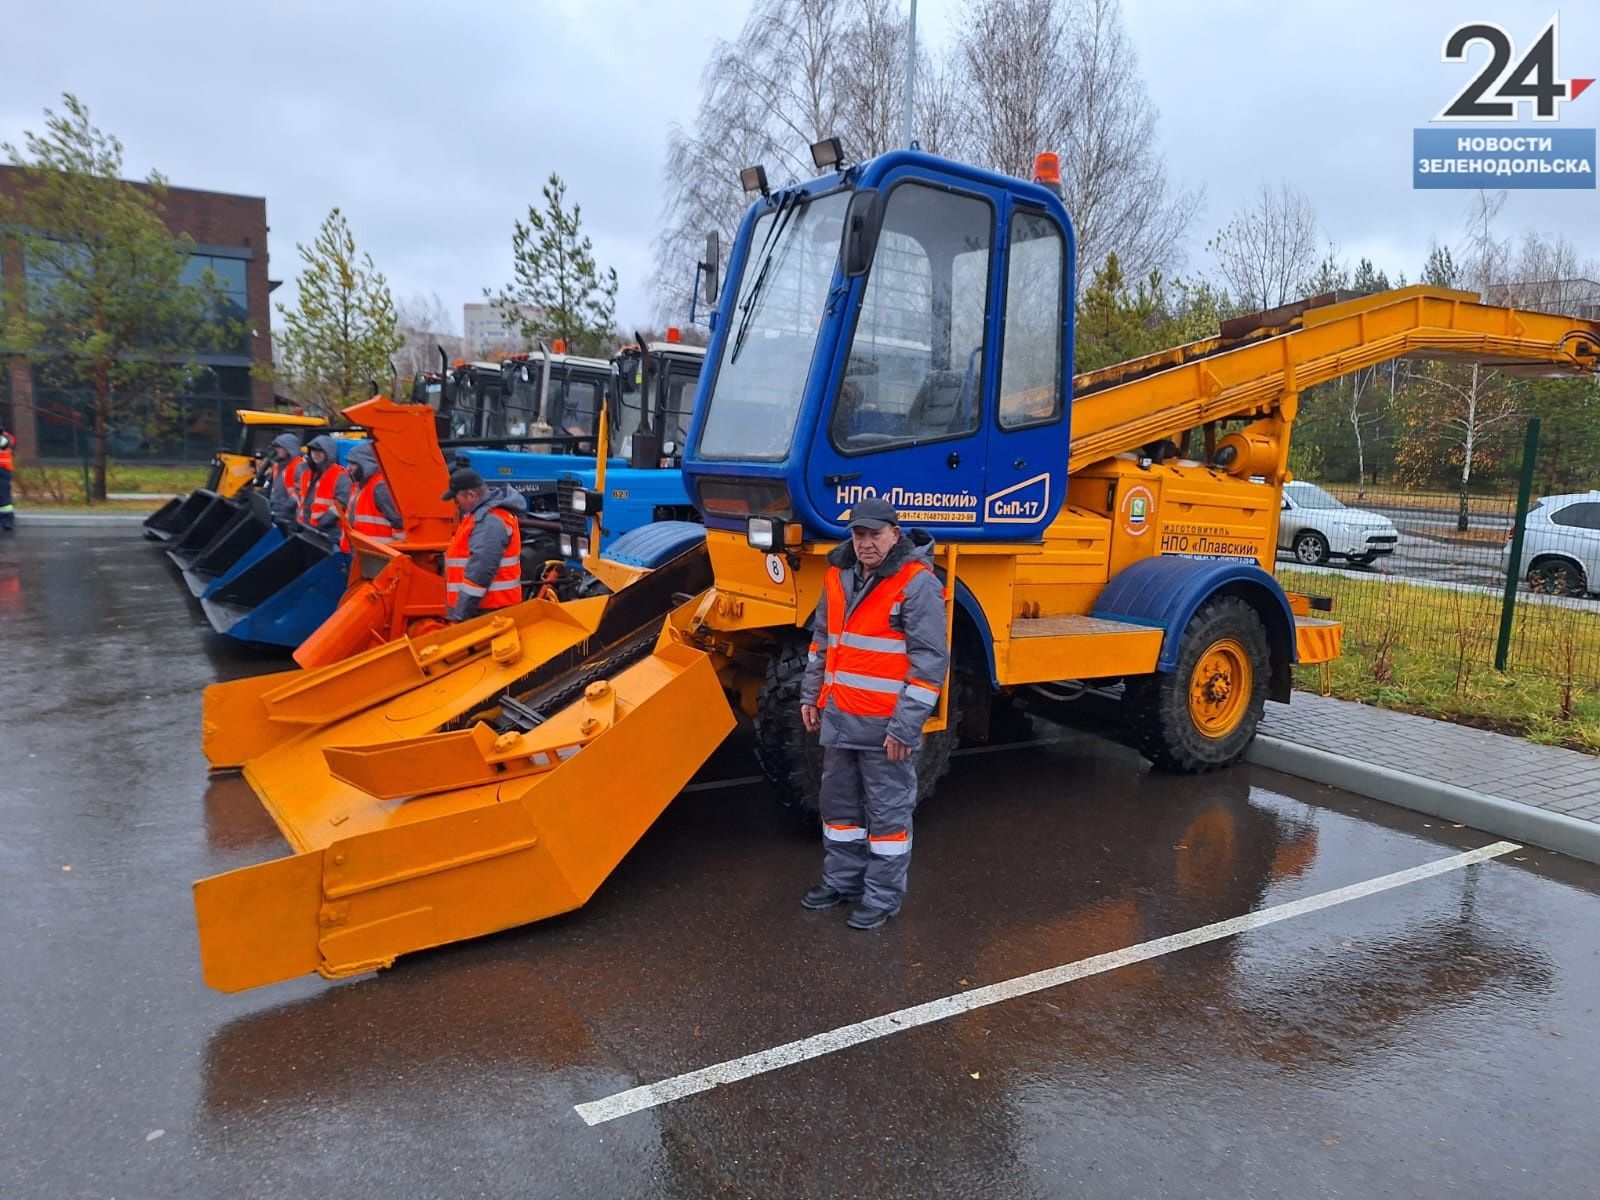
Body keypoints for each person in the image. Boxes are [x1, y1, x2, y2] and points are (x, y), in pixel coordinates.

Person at [799, 496, 949, 931]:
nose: (865, 543)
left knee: (887, 819)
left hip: (887, 731)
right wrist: (811, 697)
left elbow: (929, 665)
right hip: (841, 720)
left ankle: (882, 898)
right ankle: (842, 882)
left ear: (894, 534)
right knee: (839, 811)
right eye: (859, 534)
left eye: (874, 534)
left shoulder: (917, 584)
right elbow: (821, 644)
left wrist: (905, 729)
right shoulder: (837, 576)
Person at [440, 466, 527, 622]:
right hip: (485, 608)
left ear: (471, 495)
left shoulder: (490, 521)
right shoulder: (482, 517)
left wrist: (460, 614)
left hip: (487, 612)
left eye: (457, 498)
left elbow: (480, 571)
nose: (456, 504)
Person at [341, 442, 403, 551]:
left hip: (378, 556)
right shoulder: (361, 486)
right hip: (367, 554)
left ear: (366, 463)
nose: (348, 468)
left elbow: (399, 524)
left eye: (353, 464)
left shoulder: (380, 487)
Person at [296, 434, 350, 538]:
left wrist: (322, 522)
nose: (316, 454)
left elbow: (341, 504)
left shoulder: (340, 475)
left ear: (328, 452)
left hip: (330, 533)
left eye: (320, 451)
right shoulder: (308, 474)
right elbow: (303, 501)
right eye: (313, 450)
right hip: (308, 529)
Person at [265, 433, 305, 529]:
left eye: (280, 447)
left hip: (289, 518)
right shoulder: (279, 465)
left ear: (289, 448)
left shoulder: (300, 467)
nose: (277, 449)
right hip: (276, 513)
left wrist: (282, 510)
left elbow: (299, 496)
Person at [0, 423, 15, 532]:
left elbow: (5, 444)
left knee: (3, 495)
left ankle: (7, 521)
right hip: (4, 470)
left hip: (3, 470)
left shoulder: (6, 437)